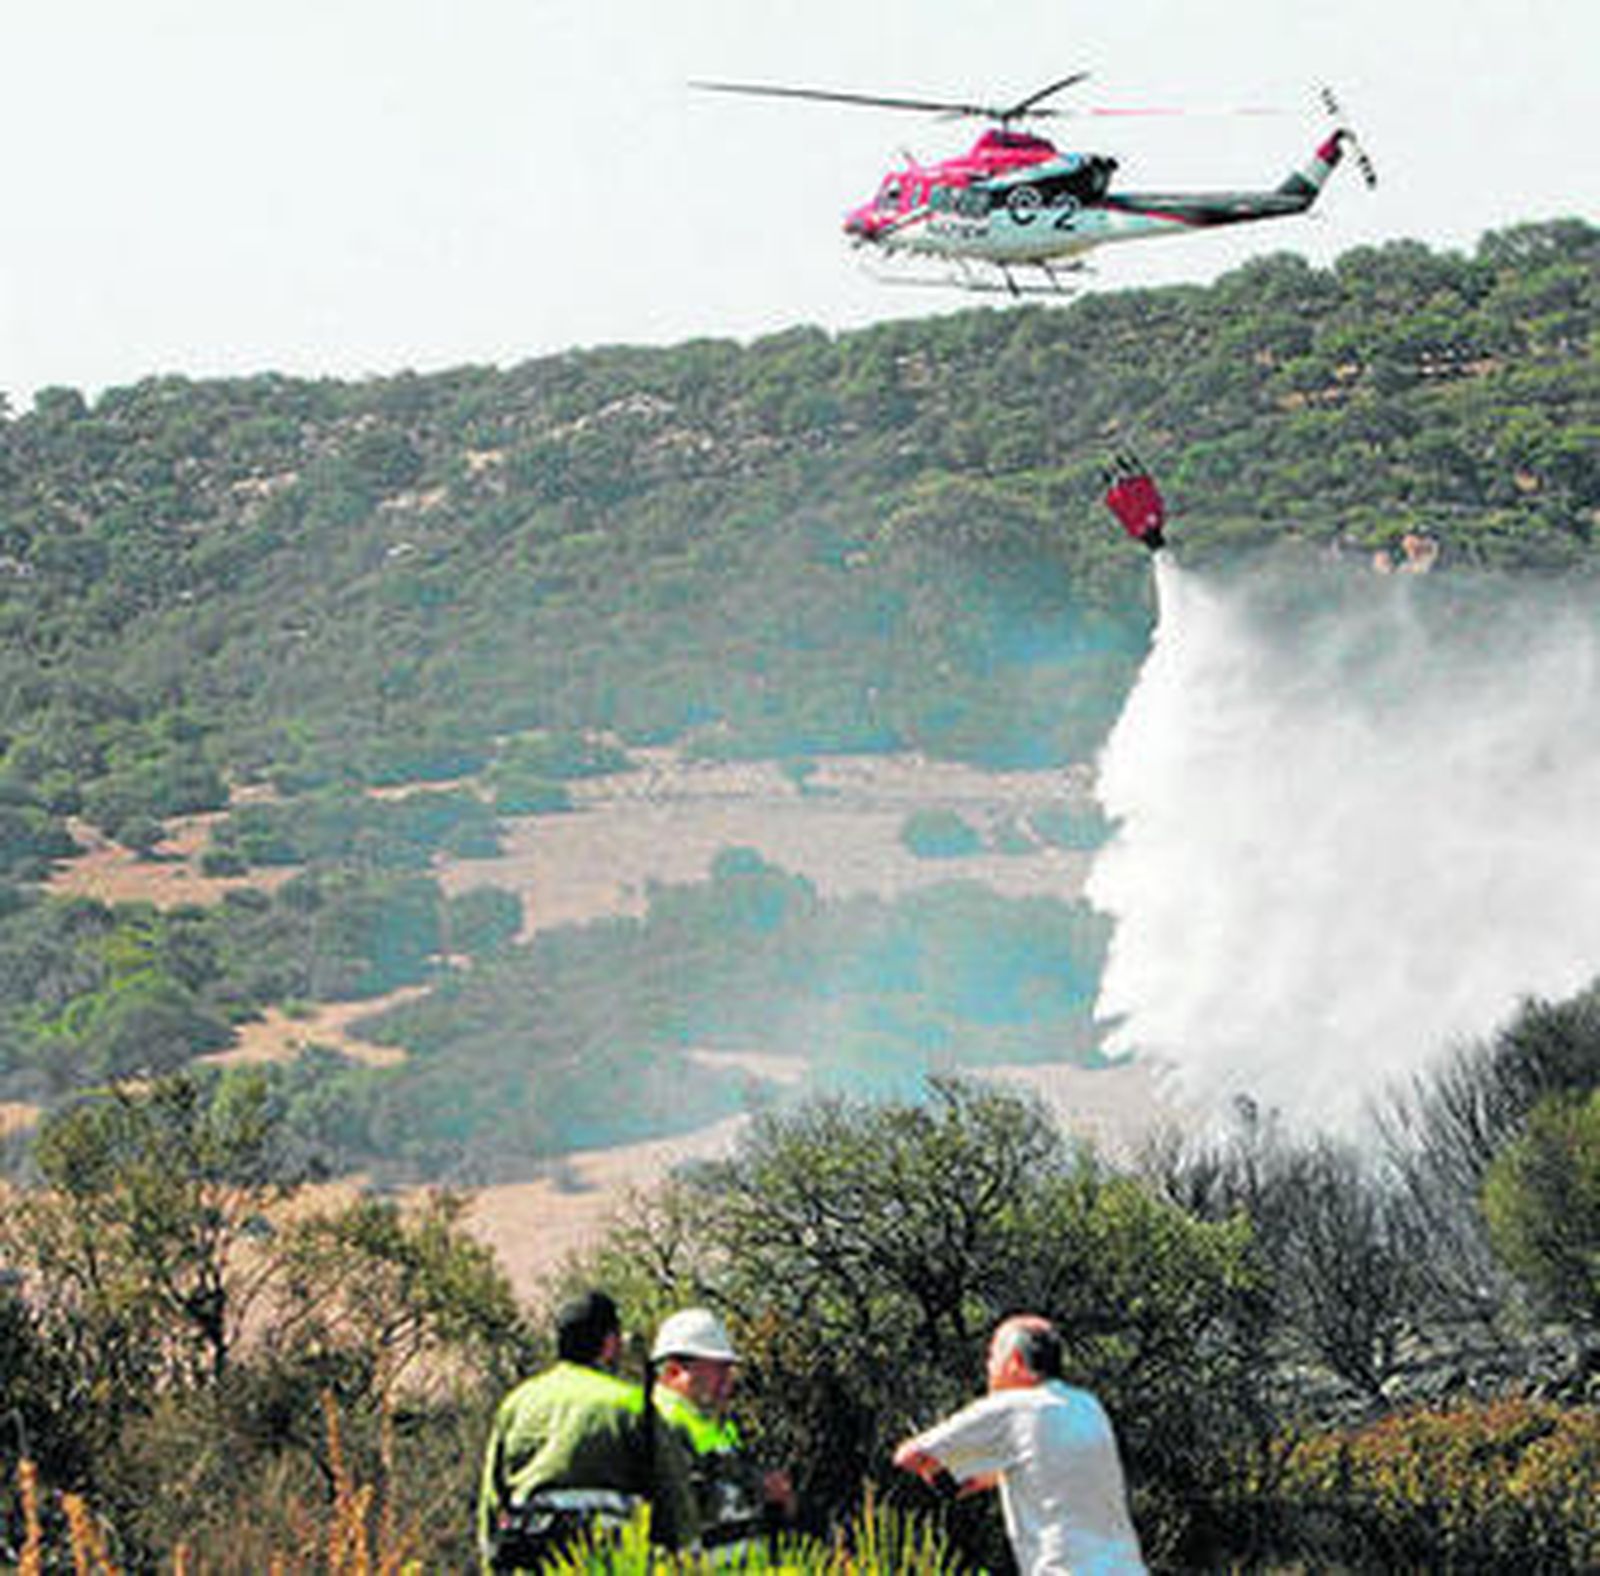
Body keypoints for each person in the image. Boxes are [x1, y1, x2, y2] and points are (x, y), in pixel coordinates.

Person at [893, 1313, 1145, 1575]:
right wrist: (990, 1478)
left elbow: (911, 1455)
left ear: (1014, 1361)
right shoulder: (1088, 1407)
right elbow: (1043, 1468)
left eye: (992, 1356)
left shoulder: (1013, 1407)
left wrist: (941, 1479)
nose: (988, 1367)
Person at [477, 1289, 698, 1572]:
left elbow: (491, 1504)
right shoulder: (632, 1404)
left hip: (531, 1557)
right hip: (607, 1557)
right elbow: (674, 1497)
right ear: (608, 1343)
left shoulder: (518, 1403)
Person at [650, 1307, 797, 1560]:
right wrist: (759, 1487)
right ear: (674, 1372)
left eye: (728, 1369)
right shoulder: (657, 1424)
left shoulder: (717, 1426)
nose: (728, 1379)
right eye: (718, 1369)